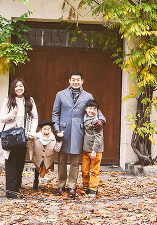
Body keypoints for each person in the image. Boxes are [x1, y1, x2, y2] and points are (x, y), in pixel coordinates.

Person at [52, 71, 105, 199]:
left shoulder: (87, 96)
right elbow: (55, 113)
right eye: (73, 79)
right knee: (62, 160)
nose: (76, 82)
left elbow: (97, 111)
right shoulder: (61, 94)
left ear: (82, 81)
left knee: (75, 162)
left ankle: (72, 186)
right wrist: (57, 129)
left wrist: (102, 120)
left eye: (78, 80)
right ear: (69, 81)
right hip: (63, 132)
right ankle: (61, 184)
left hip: (79, 132)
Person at [0, 78, 38, 199]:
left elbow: (35, 117)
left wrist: (32, 131)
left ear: (24, 87)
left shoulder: (29, 101)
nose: (19, 88)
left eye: (21, 86)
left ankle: (16, 188)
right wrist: (12, 114)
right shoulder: (8, 101)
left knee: (20, 162)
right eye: (16, 86)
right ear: (13, 88)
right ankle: (10, 191)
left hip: (23, 137)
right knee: (10, 162)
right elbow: (2, 118)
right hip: (11, 136)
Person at [29, 120, 63, 190]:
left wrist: (59, 141)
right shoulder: (35, 137)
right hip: (38, 157)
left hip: (48, 158)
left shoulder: (54, 139)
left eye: (48, 129)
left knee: (45, 168)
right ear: (40, 130)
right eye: (44, 129)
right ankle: (36, 180)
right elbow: (30, 146)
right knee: (37, 168)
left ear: (51, 130)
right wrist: (30, 140)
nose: (46, 131)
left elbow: (57, 149)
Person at [81, 99, 105, 197]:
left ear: (97, 111)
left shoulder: (96, 122)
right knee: (84, 170)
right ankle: (86, 185)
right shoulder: (84, 117)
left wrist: (94, 151)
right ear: (86, 109)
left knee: (95, 170)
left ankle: (93, 188)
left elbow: (99, 137)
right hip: (86, 148)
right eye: (90, 108)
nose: (91, 111)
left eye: (94, 109)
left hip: (96, 150)